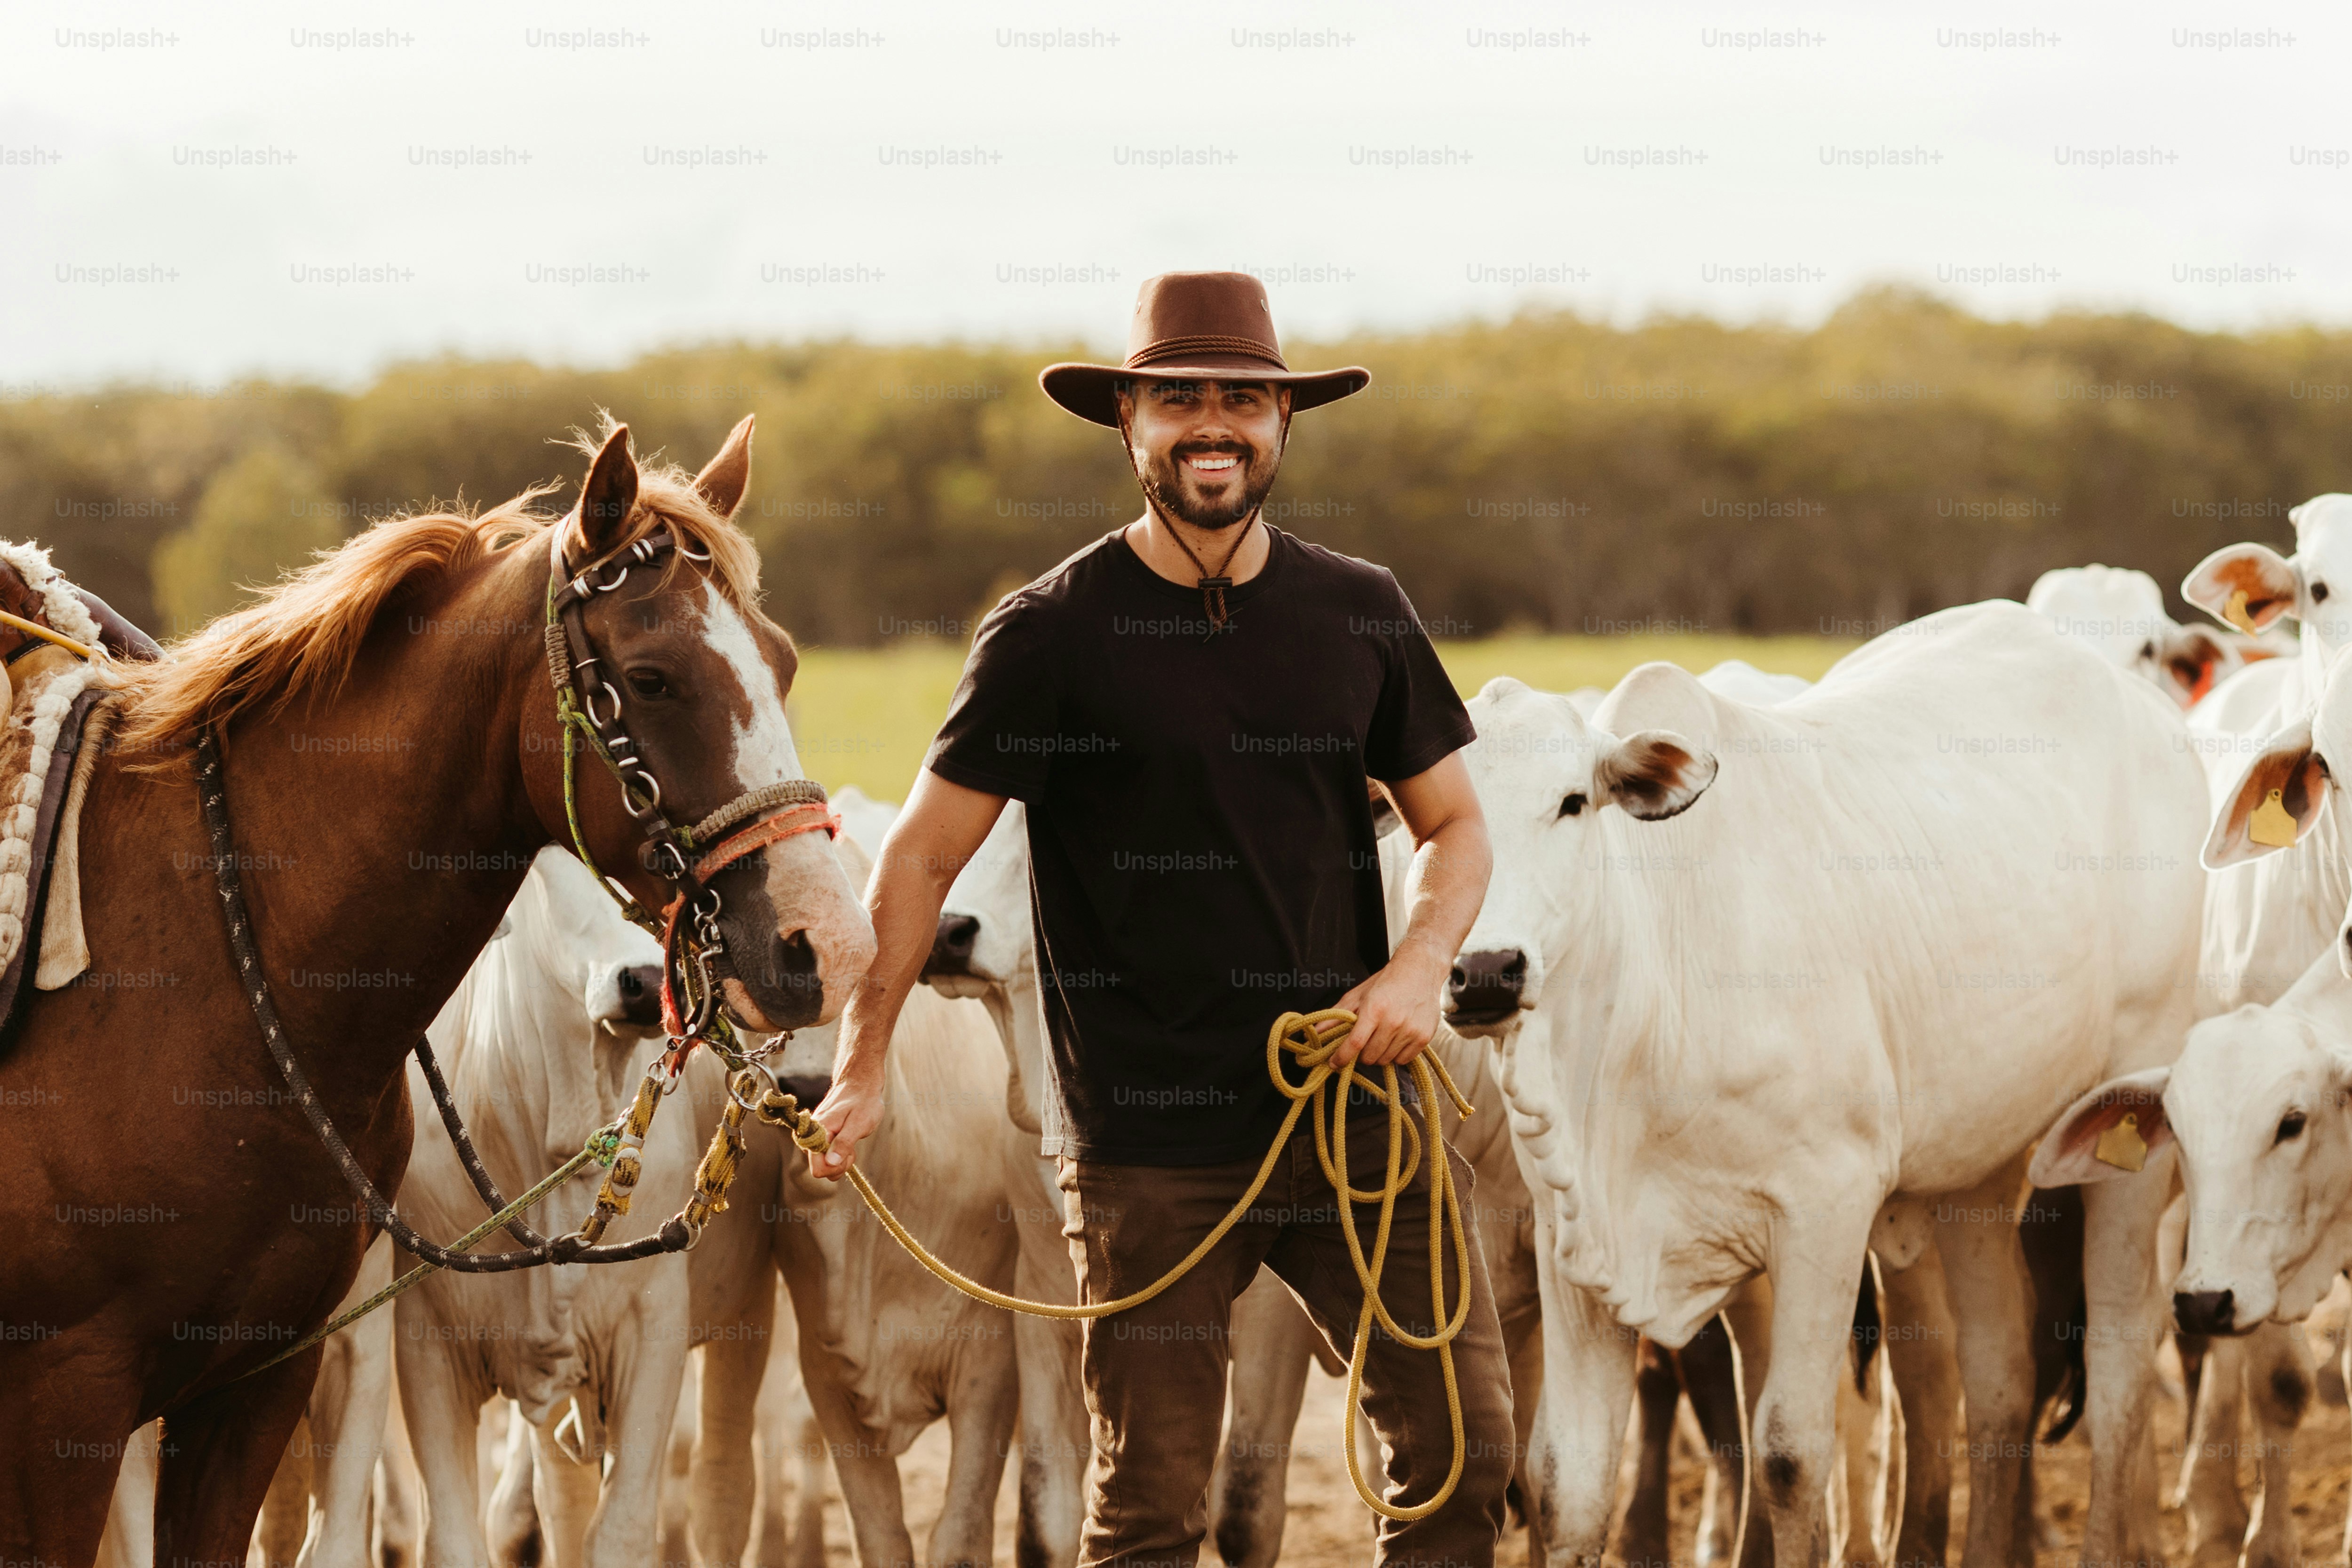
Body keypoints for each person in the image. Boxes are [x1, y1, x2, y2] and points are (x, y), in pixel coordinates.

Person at [807, 271, 1512, 1567]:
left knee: (1465, 1455)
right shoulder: (1050, 636)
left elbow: (1456, 826)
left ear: (1284, 424)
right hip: (1150, 1146)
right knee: (1150, 1517)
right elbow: (917, 859)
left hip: (1355, 1110)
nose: (1214, 425)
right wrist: (859, 1068)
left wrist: (1418, 969)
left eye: (1243, 398)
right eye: (1180, 398)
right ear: (1128, 421)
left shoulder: (1361, 609)